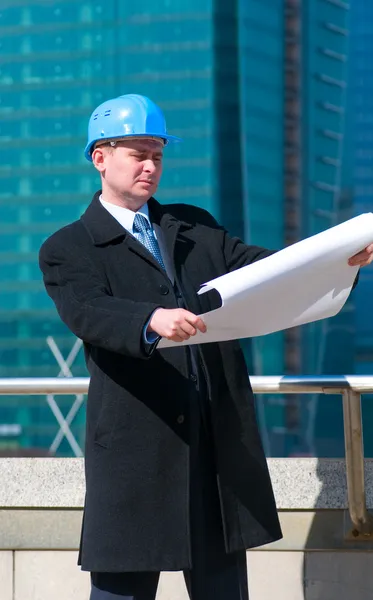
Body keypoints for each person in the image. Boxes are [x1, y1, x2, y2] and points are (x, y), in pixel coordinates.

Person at [39, 94, 373, 600]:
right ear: (100, 158)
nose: (151, 166)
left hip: (215, 447)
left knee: (223, 591)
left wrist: (340, 259)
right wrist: (150, 320)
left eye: (157, 154)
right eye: (138, 153)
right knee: (121, 593)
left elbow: (265, 270)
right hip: (137, 449)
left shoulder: (194, 226)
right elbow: (87, 311)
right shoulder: (68, 247)